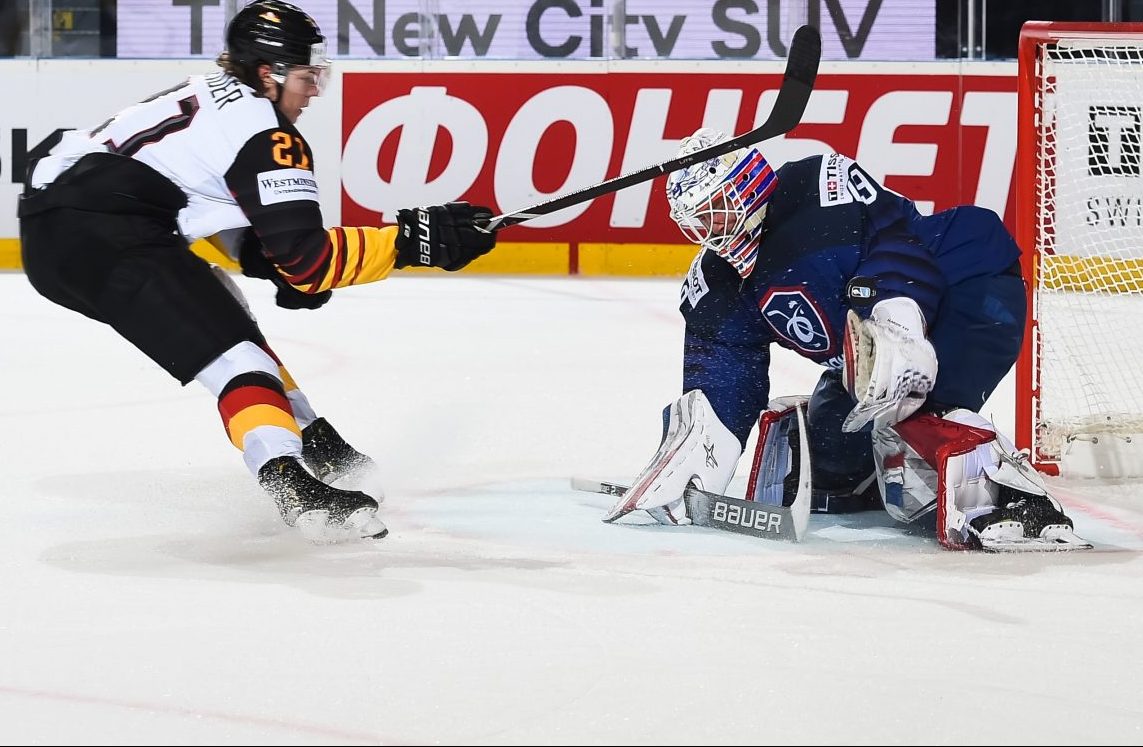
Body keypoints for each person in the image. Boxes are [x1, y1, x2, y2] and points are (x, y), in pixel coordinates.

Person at [17, 1, 498, 544]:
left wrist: (270, 265)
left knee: (230, 326)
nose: (314, 90)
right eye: (306, 76)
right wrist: (416, 243)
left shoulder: (218, 94)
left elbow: (191, 202)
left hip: (77, 228)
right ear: (269, 74)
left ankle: (315, 438)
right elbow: (311, 263)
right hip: (104, 238)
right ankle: (294, 488)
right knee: (236, 358)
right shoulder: (266, 135)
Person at [604, 127, 1088, 551]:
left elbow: (897, 248)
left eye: (714, 211)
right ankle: (870, 474)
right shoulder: (722, 281)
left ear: (747, 185)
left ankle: (1018, 501)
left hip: (969, 288)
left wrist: (898, 328)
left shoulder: (812, 195)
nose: (706, 229)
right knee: (834, 451)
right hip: (871, 345)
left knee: (906, 418)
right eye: (696, 219)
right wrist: (693, 465)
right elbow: (722, 380)